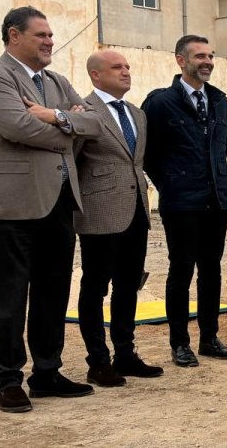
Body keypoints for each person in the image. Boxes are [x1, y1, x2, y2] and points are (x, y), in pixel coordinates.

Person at [0, 6, 102, 412]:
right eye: (41, 35)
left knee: (53, 293)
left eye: (52, 36)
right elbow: (18, 127)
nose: (49, 41)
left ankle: (46, 372)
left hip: (58, 202)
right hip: (8, 204)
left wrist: (55, 115)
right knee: (7, 297)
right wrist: (67, 130)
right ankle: (7, 379)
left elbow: (96, 123)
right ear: (13, 35)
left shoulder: (56, 81)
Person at [143, 35, 227, 366]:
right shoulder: (160, 103)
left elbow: (220, 149)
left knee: (211, 269)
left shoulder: (220, 102)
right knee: (181, 270)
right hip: (182, 202)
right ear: (181, 61)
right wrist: (171, 184)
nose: (207, 61)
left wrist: (215, 182)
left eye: (211, 55)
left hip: (216, 199)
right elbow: (148, 154)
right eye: (200, 56)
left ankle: (209, 338)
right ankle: (179, 342)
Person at [72, 50, 163, 387]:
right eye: (117, 67)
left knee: (128, 286)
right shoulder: (82, 111)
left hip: (136, 211)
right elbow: (72, 161)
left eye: (127, 67)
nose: (126, 72)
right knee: (95, 288)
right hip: (99, 213)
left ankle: (125, 353)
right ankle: (98, 361)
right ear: (96, 75)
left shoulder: (137, 115)